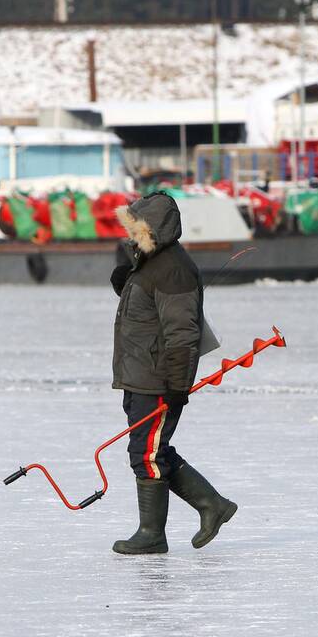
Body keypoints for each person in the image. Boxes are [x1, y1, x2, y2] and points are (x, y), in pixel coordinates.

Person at [107, 192, 237, 555]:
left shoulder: (174, 269)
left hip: (159, 379)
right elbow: (146, 311)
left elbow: (182, 333)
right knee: (151, 449)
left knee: (147, 454)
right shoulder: (150, 261)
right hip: (140, 375)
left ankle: (152, 534)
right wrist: (126, 282)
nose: (130, 235)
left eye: (136, 228)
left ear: (153, 229)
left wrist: (178, 385)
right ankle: (212, 504)